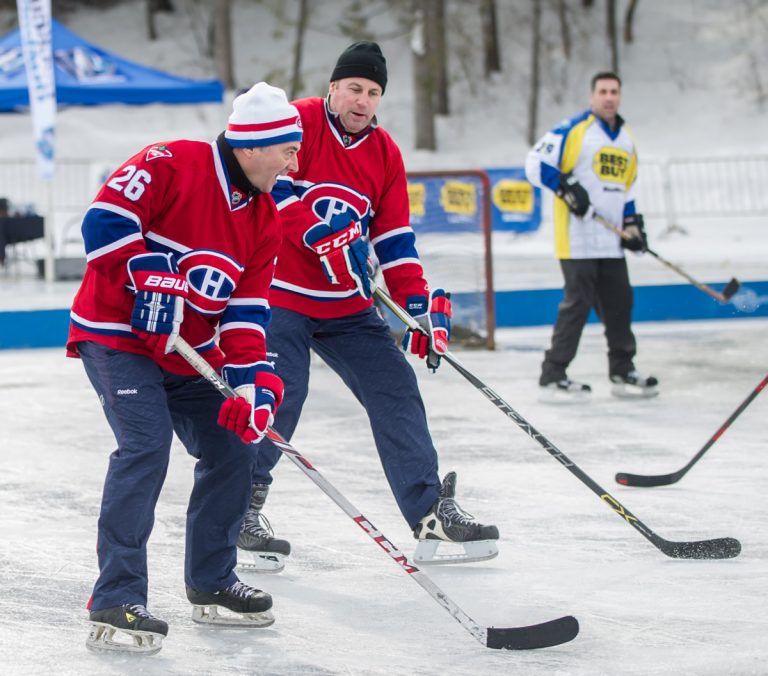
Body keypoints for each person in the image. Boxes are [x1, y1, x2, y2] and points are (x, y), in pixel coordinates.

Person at [236, 41, 499, 572]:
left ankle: (429, 513)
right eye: (354, 88)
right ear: (333, 88)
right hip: (280, 292)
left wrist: (415, 311)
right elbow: (271, 190)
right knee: (280, 393)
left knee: (395, 387)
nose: (362, 100)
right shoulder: (299, 123)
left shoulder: (385, 154)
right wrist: (317, 231)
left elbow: (396, 240)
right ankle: (240, 506)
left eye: (373, 92)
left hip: (347, 305)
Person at [66, 82, 302, 655]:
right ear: (253, 146)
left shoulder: (265, 218)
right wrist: (146, 272)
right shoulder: (173, 160)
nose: (295, 160)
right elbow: (102, 223)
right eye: (288, 149)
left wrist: (249, 382)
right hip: (118, 337)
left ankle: (212, 582)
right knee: (145, 447)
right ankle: (116, 597)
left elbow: (246, 314)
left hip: (188, 351)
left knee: (233, 447)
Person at [525, 71, 658, 400]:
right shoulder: (575, 129)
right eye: (603, 91)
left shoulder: (626, 139)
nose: (609, 97)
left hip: (611, 242)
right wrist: (567, 188)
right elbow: (535, 162)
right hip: (577, 239)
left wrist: (633, 227)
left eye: (614, 91)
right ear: (592, 95)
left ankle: (622, 369)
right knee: (578, 305)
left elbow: (626, 190)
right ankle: (553, 372)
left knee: (620, 303)